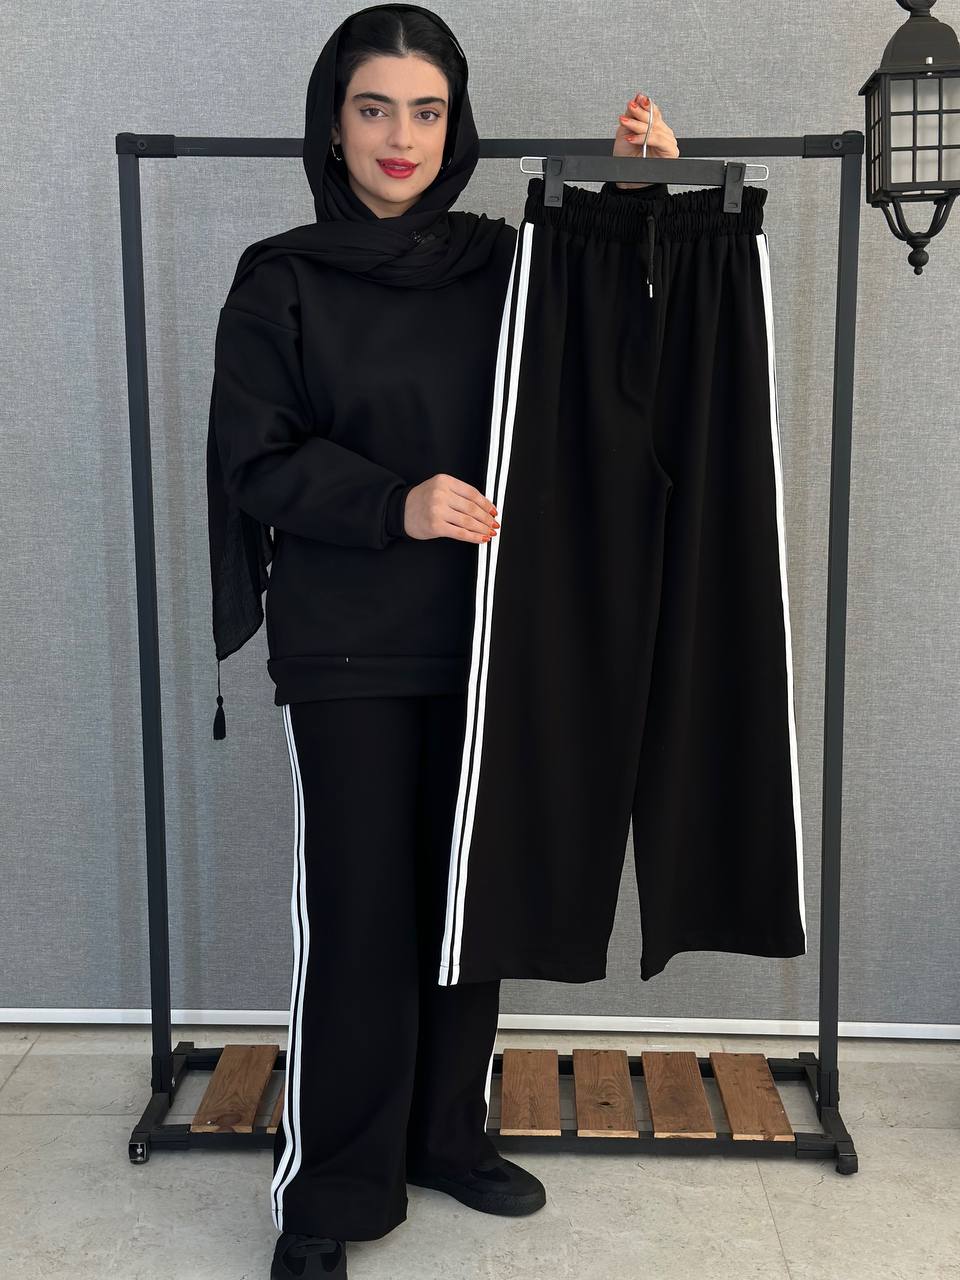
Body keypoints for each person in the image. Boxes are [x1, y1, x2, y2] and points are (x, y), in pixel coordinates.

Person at [205, 6, 679, 1278]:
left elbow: (600, 346)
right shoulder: (280, 278)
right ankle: (331, 1190)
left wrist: (640, 199)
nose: (400, 137)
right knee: (361, 919)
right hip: (347, 646)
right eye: (375, 108)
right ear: (334, 123)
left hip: (485, 635)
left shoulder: (502, 264)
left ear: (455, 124)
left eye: (426, 110)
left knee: (472, 902)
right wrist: (395, 502)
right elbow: (256, 460)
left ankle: (444, 1133)